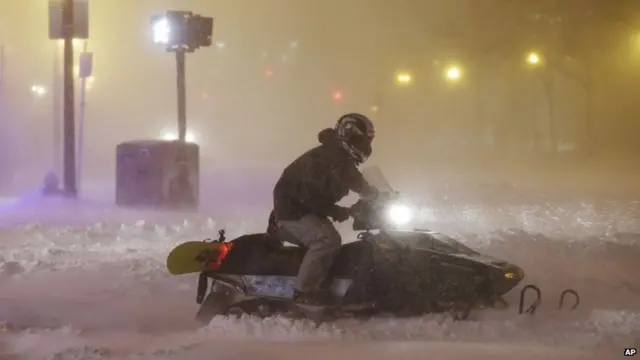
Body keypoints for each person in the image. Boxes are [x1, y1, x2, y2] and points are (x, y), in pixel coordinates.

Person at [272, 112, 378, 306]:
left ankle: (326, 282)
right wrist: (339, 211)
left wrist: (377, 195)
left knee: (334, 241)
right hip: (292, 211)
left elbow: (356, 181)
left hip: (304, 208)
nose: (365, 146)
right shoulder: (327, 158)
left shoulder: (338, 157)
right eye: (361, 140)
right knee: (327, 240)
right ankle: (303, 292)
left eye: (367, 141)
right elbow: (308, 196)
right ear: (349, 136)